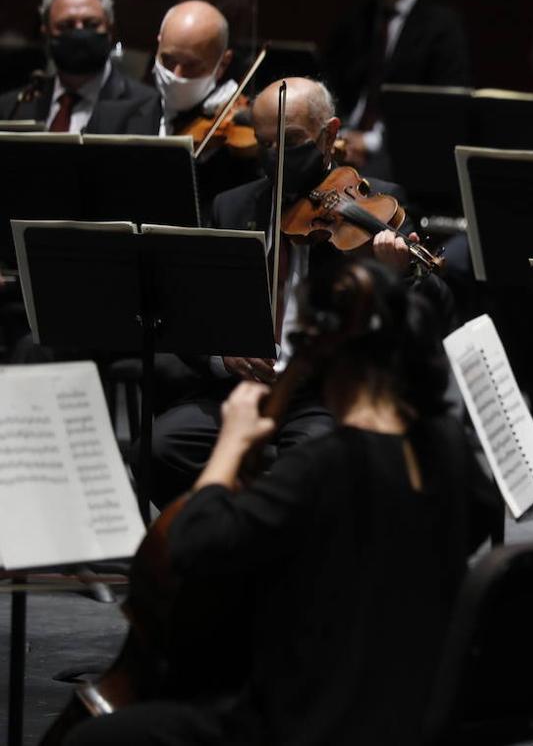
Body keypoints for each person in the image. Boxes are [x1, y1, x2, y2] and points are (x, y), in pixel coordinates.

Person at [62, 259, 500, 746]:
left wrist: (231, 443)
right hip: (414, 707)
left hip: (313, 721)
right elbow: (480, 517)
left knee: (95, 740)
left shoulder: (325, 465)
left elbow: (190, 547)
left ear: (323, 358)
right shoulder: (445, 446)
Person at [147, 77, 449, 506]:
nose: (276, 158)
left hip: (326, 391)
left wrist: (401, 275)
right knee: (161, 447)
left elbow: (440, 311)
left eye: (289, 142)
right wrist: (222, 357)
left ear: (329, 135)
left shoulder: (376, 205)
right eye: (265, 143)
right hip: (244, 390)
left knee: (312, 463)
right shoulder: (233, 207)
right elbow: (195, 311)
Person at [323, 0, 471, 177]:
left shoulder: (442, 27)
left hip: (401, 151)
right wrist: (341, 134)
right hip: (343, 137)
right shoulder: (355, 19)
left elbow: (443, 107)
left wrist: (369, 142)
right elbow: (331, 86)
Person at [0, 0, 158, 134]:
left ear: (110, 30)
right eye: (66, 25)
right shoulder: (12, 108)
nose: (79, 32)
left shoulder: (146, 105)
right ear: (46, 33)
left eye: (91, 24)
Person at [153, 0, 260, 209]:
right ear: (158, 43)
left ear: (223, 63)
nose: (176, 74)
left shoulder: (240, 152)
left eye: (191, 65)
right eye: (168, 60)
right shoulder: (115, 115)